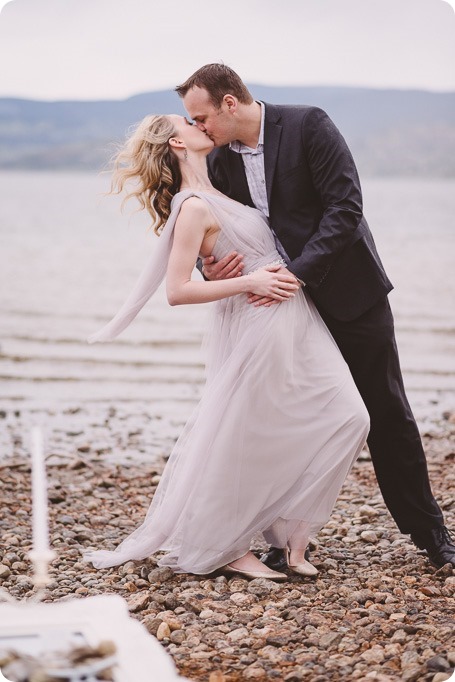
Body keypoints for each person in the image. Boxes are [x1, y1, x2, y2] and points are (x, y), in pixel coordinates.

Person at [175, 63, 455, 570]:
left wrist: (297, 275)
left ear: (230, 103)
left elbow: (344, 208)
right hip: (275, 312)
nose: (197, 129)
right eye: (191, 122)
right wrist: (210, 264)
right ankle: (281, 536)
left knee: (385, 412)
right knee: (271, 418)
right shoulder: (216, 162)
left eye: (201, 117)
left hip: (347, 293)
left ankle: (430, 534)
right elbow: (214, 224)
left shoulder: (308, 125)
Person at [83, 113, 369, 581]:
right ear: (178, 141)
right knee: (246, 433)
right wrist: (247, 282)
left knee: (349, 416)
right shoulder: (192, 206)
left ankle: (291, 536)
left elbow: (224, 255)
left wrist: (235, 272)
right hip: (256, 319)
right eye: (189, 121)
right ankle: (229, 546)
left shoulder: (219, 187)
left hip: (297, 317)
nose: (202, 124)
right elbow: (176, 291)